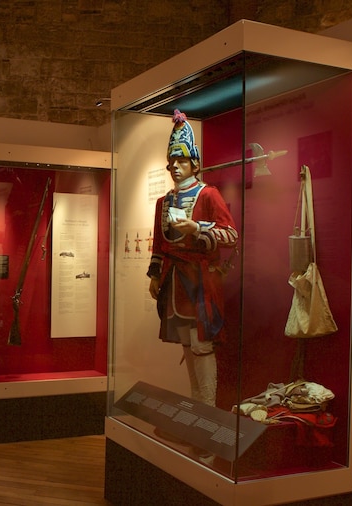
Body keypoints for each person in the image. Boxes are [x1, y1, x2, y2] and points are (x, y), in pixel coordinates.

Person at [147, 110, 238, 408]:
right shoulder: (164, 202)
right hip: (174, 283)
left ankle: (207, 415)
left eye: (181, 161)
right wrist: (154, 276)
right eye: (172, 162)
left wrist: (197, 228)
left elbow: (231, 236)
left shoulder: (209, 195)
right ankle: (196, 415)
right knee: (187, 346)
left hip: (201, 281)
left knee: (202, 347)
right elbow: (159, 245)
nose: (175, 167)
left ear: (194, 164)